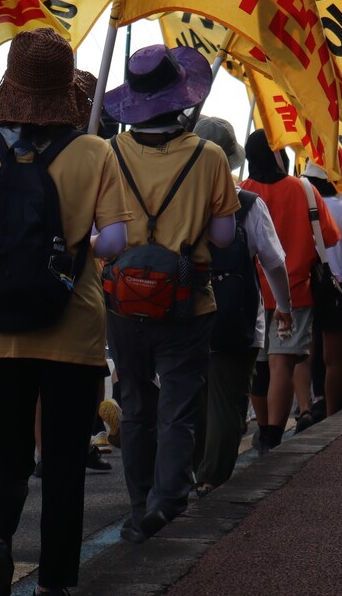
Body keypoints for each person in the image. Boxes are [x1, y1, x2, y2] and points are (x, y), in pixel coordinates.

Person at [0, 28, 131, 596]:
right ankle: (55, 579)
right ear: (65, 93)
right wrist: (77, 248)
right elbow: (116, 241)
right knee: (65, 460)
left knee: (5, 452)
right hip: (73, 325)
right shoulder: (95, 151)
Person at [101, 44, 239, 543]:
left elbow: (102, 232)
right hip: (187, 301)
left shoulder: (110, 152)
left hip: (123, 303)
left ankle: (140, 509)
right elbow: (223, 237)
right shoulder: (209, 156)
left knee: (136, 406)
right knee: (178, 407)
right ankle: (169, 500)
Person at [191, 117, 287, 494]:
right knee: (227, 403)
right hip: (235, 318)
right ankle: (210, 481)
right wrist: (284, 307)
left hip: (183, 314)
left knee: (190, 400)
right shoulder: (247, 203)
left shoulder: (174, 198)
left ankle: (184, 477)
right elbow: (274, 262)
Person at [241, 131, 339, 445]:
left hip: (250, 293)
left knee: (257, 366)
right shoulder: (304, 190)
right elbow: (329, 237)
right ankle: (273, 436)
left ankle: (262, 431)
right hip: (295, 290)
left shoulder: (241, 191)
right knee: (281, 363)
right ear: (278, 154)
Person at [305, 160, 342, 417]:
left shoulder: (302, 205)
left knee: (304, 354)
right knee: (334, 359)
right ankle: (331, 414)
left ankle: (306, 409)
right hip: (337, 287)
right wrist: (336, 257)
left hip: (305, 285)